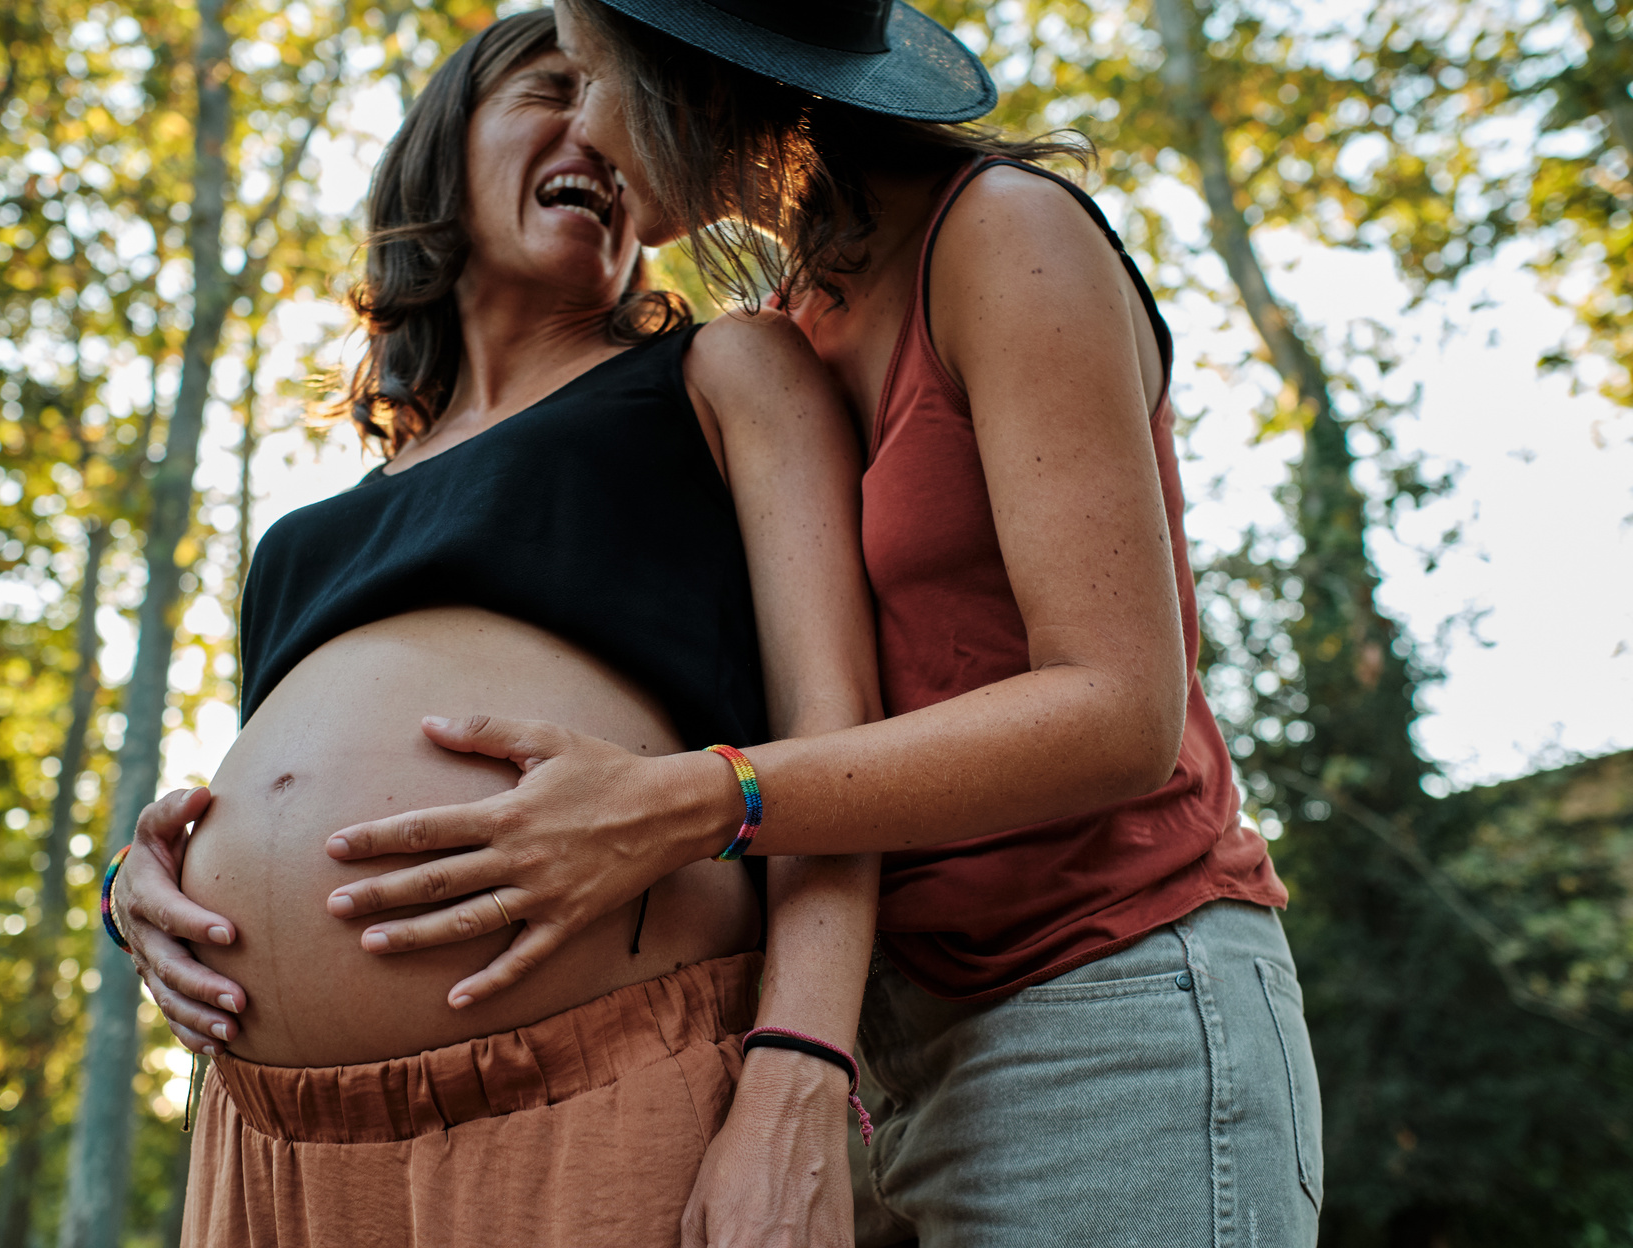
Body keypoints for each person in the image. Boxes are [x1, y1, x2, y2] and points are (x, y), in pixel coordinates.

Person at [292, 2, 1325, 1245]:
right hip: (895, 1036)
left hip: (1111, 1001)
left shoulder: (999, 235)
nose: (591, 127)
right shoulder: (799, 320)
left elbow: (1119, 714)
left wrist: (685, 803)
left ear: (684, 76)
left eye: (593, 75)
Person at [104, 12, 882, 1244]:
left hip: (598, 1093)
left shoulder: (724, 373)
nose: (600, 131)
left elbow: (841, 742)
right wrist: (137, 886)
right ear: (443, 146)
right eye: (553, 89)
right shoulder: (307, 536)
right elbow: (274, 801)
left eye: (625, 105)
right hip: (260, 1152)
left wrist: (799, 1070)